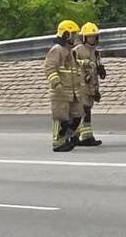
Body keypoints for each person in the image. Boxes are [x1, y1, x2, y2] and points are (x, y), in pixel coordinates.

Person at [44, 20, 84, 152]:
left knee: (77, 116)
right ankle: (58, 142)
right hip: (60, 91)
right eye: (74, 34)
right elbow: (49, 68)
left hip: (72, 92)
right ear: (66, 35)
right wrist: (57, 83)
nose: (76, 37)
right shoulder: (57, 50)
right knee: (61, 118)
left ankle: (67, 138)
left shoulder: (71, 52)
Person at [72, 22, 106, 147]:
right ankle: (87, 137)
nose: (92, 38)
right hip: (80, 85)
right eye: (89, 36)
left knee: (84, 110)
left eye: (94, 36)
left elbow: (96, 67)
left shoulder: (96, 52)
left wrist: (101, 70)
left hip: (91, 86)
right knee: (84, 110)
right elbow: (71, 63)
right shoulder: (77, 50)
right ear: (84, 37)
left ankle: (74, 136)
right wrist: (85, 62)